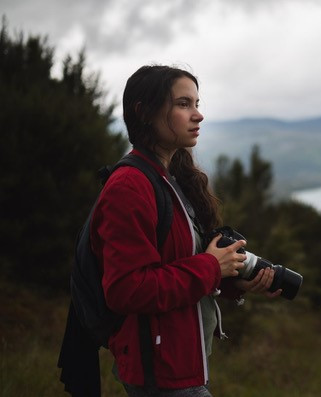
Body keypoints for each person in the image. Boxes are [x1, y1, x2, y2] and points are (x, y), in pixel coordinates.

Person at [92, 64, 281, 396]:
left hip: (181, 362)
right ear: (145, 112)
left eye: (196, 103)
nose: (198, 115)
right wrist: (210, 267)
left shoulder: (171, 180)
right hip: (159, 370)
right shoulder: (130, 185)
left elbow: (176, 264)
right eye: (183, 104)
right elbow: (127, 289)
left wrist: (233, 280)